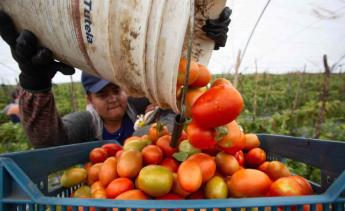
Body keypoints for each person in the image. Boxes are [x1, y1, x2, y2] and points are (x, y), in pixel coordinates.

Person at [0, 7, 231, 148]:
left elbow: (176, 97)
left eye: (115, 90)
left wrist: (199, 44)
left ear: (125, 89)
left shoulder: (137, 106)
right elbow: (47, 141)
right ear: (90, 99)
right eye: (102, 94)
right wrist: (35, 84)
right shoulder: (87, 124)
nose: (112, 98)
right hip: (107, 204)